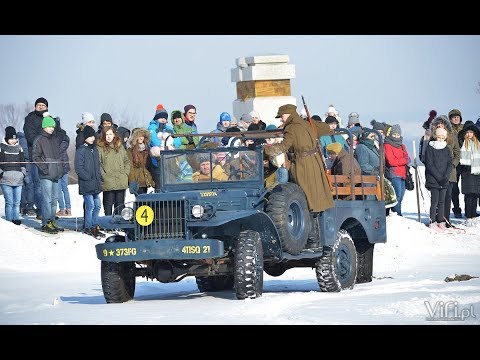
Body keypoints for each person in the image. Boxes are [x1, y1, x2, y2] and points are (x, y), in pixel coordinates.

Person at [263, 104, 334, 249]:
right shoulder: (307, 123)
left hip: (303, 165)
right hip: (314, 163)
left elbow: (283, 146)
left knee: (305, 201)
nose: (281, 119)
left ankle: (312, 239)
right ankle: (315, 239)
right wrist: (313, 123)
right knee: (313, 200)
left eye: (282, 116)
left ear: (288, 114)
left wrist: (265, 151)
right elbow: (327, 128)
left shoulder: (292, 128)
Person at [31, 115, 64, 234]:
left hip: (56, 174)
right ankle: (46, 223)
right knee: (47, 199)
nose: (52, 128)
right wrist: (45, 169)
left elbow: (58, 157)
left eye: (53, 126)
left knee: (54, 200)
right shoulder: (39, 139)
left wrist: (59, 169)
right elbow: (35, 157)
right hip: (46, 175)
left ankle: (52, 221)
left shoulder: (54, 139)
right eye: (49, 126)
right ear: (44, 126)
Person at [74, 125, 104, 238]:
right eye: (89, 136)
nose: (92, 138)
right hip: (87, 183)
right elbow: (78, 167)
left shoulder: (95, 150)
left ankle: (94, 225)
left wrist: (98, 178)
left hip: (95, 183)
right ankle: (87, 226)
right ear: (85, 137)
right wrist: (87, 177)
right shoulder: (81, 150)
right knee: (90, 205)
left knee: (97, 205)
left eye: (93, 136)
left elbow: (97, 165)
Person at [23, 97, 49, 220]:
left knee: (49, 185)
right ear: (35, 106)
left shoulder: (50, 118)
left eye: (43, 105)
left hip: (49, 157)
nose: (40, 107)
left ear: (47, 107)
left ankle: (49, 211)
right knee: (38, 184)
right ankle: (40, 210)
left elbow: (57, 134)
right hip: (36, 156)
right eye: (38, 105)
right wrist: (43, 142)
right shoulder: (30, 118)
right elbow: (30, 136)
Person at [424, 127, 453, 232]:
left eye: (442, 138)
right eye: (439, 137)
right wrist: (439, 177)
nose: (440, 139)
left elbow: (450, 163)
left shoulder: (446, 149)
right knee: (434, 202)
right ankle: (432, 222)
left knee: (442, 202)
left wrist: (445, 176)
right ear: (435, 137)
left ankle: (441, 222)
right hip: (434, 180)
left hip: (444, 180)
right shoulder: (430, 148)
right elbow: (430, 164)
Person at [97, 126, 130, 216]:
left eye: (110, 134)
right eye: (106, 134)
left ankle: (119, 223)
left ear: (114, 135)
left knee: (120, 204)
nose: (108, 136)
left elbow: (126, 161)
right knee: (108, 204)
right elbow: (98, 164)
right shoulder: (100, 148)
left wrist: (125, 174)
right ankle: (108, 224)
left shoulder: (120, 146)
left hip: (121, 180)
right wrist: (104, 176)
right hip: (108, 181)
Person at [0, 126, 26, 225]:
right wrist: (2, 173)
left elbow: (23, 162)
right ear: (7, 138)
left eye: (15, 138)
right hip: (6, 179)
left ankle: (16, 219)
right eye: (11, 138)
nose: (13, 140)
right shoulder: (2, 147)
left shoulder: (19, 148)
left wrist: (23, 173)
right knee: (9, 202)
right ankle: (9, 221)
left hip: (18, 179)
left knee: (17, 202)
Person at [384, 124, 410, 216]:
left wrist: (403, 160)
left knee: (401, 196)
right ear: (391, 134)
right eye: (394, 134)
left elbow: (408, 157)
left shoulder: (402, 146)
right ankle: (397, 215)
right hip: (393, 174)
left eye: (397, 135)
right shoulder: (387, 145)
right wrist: (404, 160)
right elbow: (391, 161)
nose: (396, 136)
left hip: (403, 174)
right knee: (397, 196)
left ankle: (396, 214)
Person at [457, 121, 480, 227]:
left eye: (471, 132)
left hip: (477, 171)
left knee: (475, 194)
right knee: (468, 195)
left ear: (474, 133)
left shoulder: (478, 143)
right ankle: (469, 216)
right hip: (466, 172)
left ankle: (474, 215)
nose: (469, 134)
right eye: (467, 132)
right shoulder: (462, 143)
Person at [127, 128, 155, 194]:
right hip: (137, 181)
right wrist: (132, 182)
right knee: (139, 202)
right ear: (135, 137)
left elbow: (150, 167)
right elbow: (130, 167)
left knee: (146, 202)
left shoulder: (147, 150)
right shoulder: (130, 151)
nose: (141, 138)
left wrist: (152, 180)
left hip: (146, 181)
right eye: (139, 136)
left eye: (142, 136)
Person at [448, 109, 464, 218]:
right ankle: (457, 209)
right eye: (453, 117)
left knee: (470, 188)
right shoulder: (448, 130)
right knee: (454, 188)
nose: (456, 118)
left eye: (457, 117)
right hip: (454, 163)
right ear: (450, 119)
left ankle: (470, 210)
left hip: (466, 163)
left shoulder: (466, 128)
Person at [55, 120, 72, 217]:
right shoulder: (65, 137)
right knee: (65, 188)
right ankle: (68, 209)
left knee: (58, 188)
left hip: (58, 165)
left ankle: (62, 209)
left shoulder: (54, 138)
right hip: (65, 164)